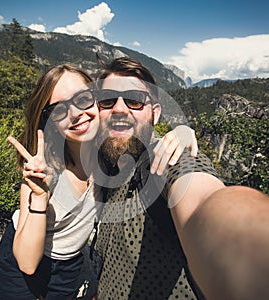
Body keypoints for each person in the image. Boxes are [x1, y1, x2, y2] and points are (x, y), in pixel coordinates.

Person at [0, 62, 199, 300]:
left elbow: (141, 136)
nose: (76, 114)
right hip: (24, 257)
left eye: (83, 100)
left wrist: (182, 132)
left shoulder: (108, 153)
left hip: (70, 264)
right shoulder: (46, 171)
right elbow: (27, 263)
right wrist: (38, 196)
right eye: (59, 109)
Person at [93, 57, 269, 300]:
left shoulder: (167, 160)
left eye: (134, 101)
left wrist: (250, 247)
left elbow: (202, 197)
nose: (120, 109)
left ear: (154, 114)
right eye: (107, 101)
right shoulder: (107, 165)